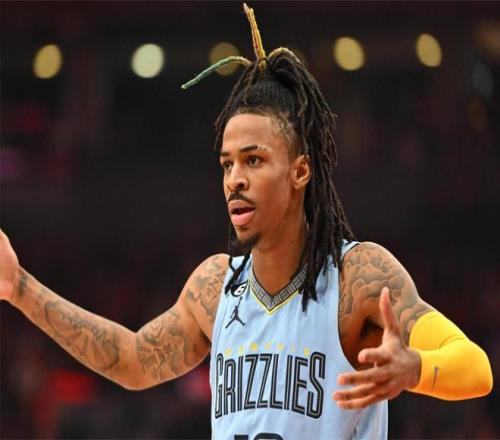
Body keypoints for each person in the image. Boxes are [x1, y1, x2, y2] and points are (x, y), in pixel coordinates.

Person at [0, 4, 492, 439]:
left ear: (300, 170)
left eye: (254, 160)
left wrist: (415, 369)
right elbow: (131, 359)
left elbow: (475, 367)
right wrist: (19, 287)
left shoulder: (356, 277)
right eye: (227, 164)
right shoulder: (214, 289)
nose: (235, 179)